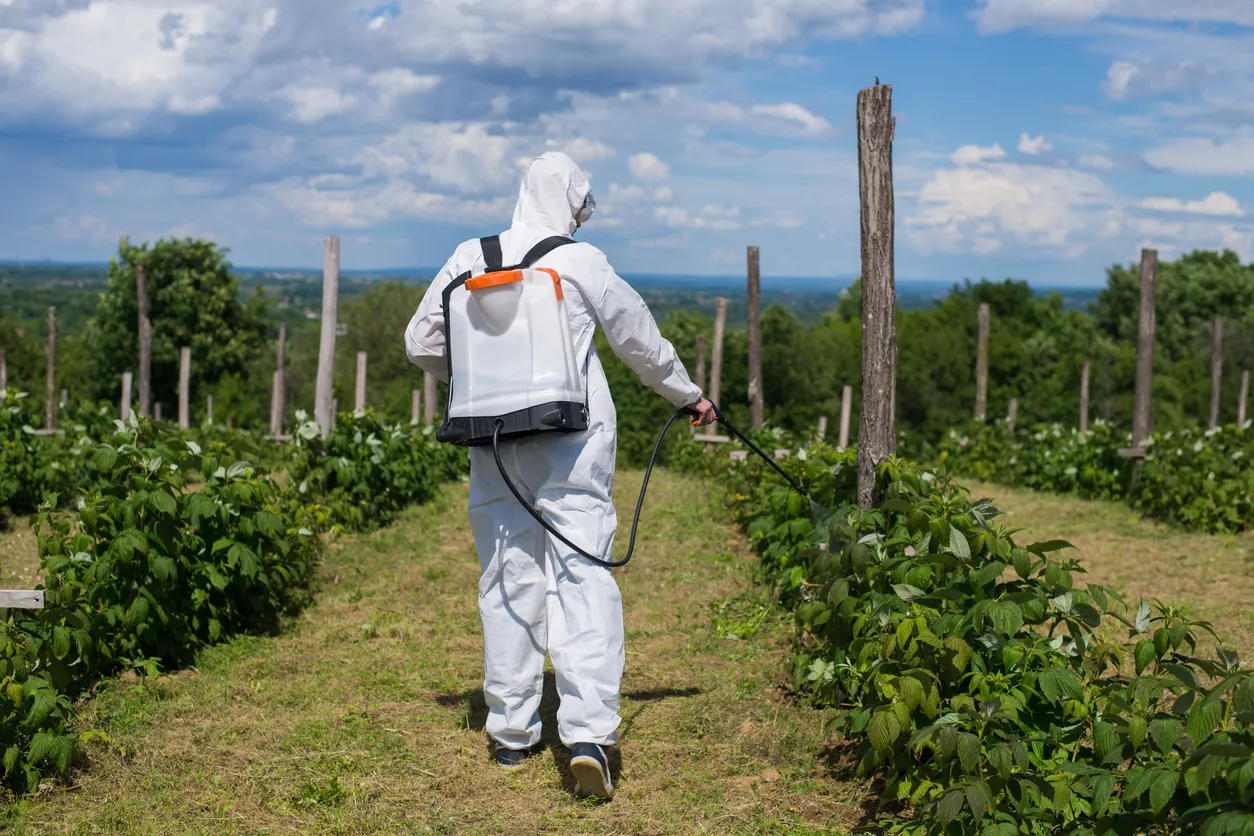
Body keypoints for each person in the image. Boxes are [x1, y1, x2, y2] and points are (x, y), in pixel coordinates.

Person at [404, 151, 717, 800]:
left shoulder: (471, 255)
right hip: (572, 447)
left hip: (491, 445)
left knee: (505, 579)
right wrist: (687, 396)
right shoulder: (578, 260)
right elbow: (638, 340)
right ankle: (588, 736)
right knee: (582, 579)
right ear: (572, 203)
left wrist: (473, 382)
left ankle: (511, 735)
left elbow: (420, 340)